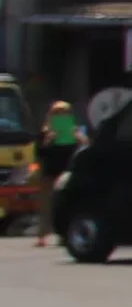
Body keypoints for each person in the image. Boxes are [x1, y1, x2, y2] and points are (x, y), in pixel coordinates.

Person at [34, 101, 79, 247]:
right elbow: (38, 153)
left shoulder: (74, 130)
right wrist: (48, 139)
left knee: (65, 204)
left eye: (64, 113)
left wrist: (79, 137)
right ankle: (42, 235)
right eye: (57, 113)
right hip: (49, 173)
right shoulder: (45, 131)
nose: (61, 116)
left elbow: (82, 149)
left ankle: (63, 235)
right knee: (46, 205)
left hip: (66, 172)